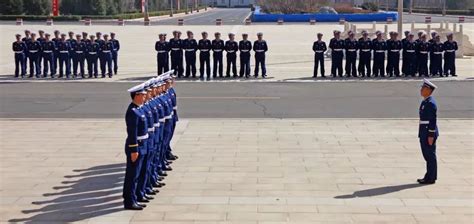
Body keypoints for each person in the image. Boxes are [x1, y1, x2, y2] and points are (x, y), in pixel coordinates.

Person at [123, 83, 148, 210]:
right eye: (142, 95)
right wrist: (134, 150)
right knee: (132, 176)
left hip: (142, 146)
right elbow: (132, 133)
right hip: (136, 147)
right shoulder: (133, 112)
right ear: (136, 96)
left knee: (137, 174)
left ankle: (134, 197)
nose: (145, 97)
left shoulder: (138, 108)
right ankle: (129, 201)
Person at [417, 79, 438, 185]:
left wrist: (430, 135)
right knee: (427, 155)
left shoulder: (430, 103)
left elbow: (432, 121)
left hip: (428, 133)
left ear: (428, 90)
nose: (421, 90)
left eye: (423, 88)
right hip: (424, 131)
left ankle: (431, 177)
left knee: (430, 155)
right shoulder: (425, 101)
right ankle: (429, 175)